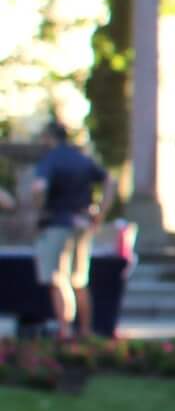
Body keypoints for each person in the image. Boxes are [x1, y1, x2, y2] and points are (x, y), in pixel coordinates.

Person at [30, 120, 107, 341]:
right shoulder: (82, 159)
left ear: (49, 137)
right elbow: (109, 181)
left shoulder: (50, 160)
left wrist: (38, 207)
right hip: (81, 225)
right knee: (79, 280)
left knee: (57, 278)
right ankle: (84, 330)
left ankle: (65, 330)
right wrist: (101, 210)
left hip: (57, 223)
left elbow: (39, 188)